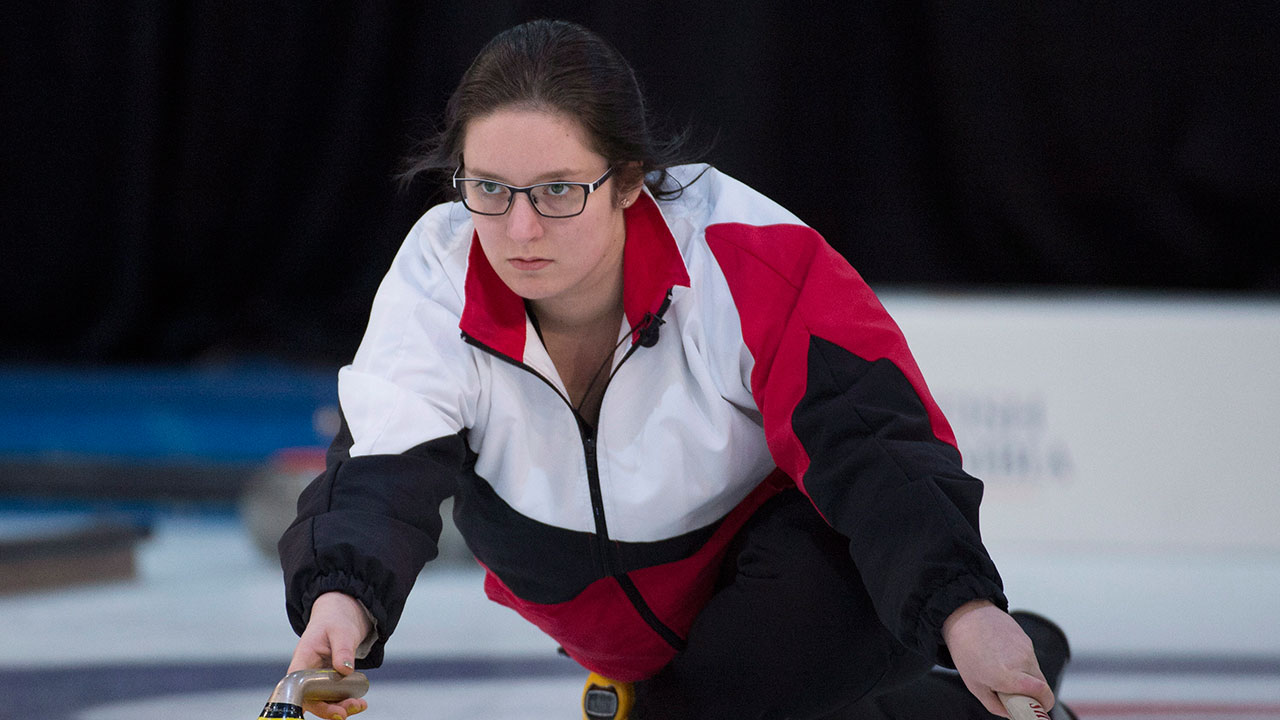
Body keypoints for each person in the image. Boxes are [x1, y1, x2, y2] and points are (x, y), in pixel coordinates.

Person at [278, 19, 1071, 720]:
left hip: (790, 602)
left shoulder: (742, 249)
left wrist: (963, 608)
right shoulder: (436, 270)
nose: (519, 229)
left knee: (784, 629)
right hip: (589, 604)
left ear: (628, 180)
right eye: (489, 188)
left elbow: (874, 447)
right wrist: (342, 604)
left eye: (558, 190)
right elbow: (380, 470)